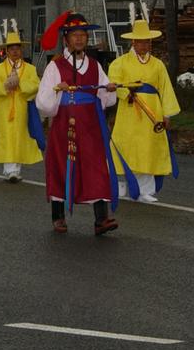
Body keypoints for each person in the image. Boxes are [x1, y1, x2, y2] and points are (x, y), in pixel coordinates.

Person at [35, 12, 128, 236]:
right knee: (61, 166)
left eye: (82, 35)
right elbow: (43, 102)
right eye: (74, 35)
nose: (79, 39)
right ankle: (58, 217)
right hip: (63, 125)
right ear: (65, 39)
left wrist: (109, 89)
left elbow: (105, 97)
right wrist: (59, 90)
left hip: (90, 126)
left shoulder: (95, 66)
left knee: (96, 167)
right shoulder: (55, 67)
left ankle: (101, 219)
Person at [107, 14, 180, 203]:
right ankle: (122, 184)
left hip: (152, 112)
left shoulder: (158, 65)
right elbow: (114, 82)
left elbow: (165, 89)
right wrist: (126, 92)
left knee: (148, 148)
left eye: (147, 42)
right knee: (127, 146)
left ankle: (145, 190)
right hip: (130, 110)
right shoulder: (120, 63)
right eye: (140, 42)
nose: (144, 45)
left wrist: (167, 114)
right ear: (133, 42)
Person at [0, 21, 43, 183]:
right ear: (6, 51)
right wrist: (5, 87)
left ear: (21, 49)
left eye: (17, 48)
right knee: (6, 137)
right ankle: (9, 169)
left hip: (22, 107)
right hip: (3, 108)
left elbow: (36, 84)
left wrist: (21, 85)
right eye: (11, 49)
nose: (15, 51)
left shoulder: (30, 69)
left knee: (20, 137)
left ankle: (16, 169)